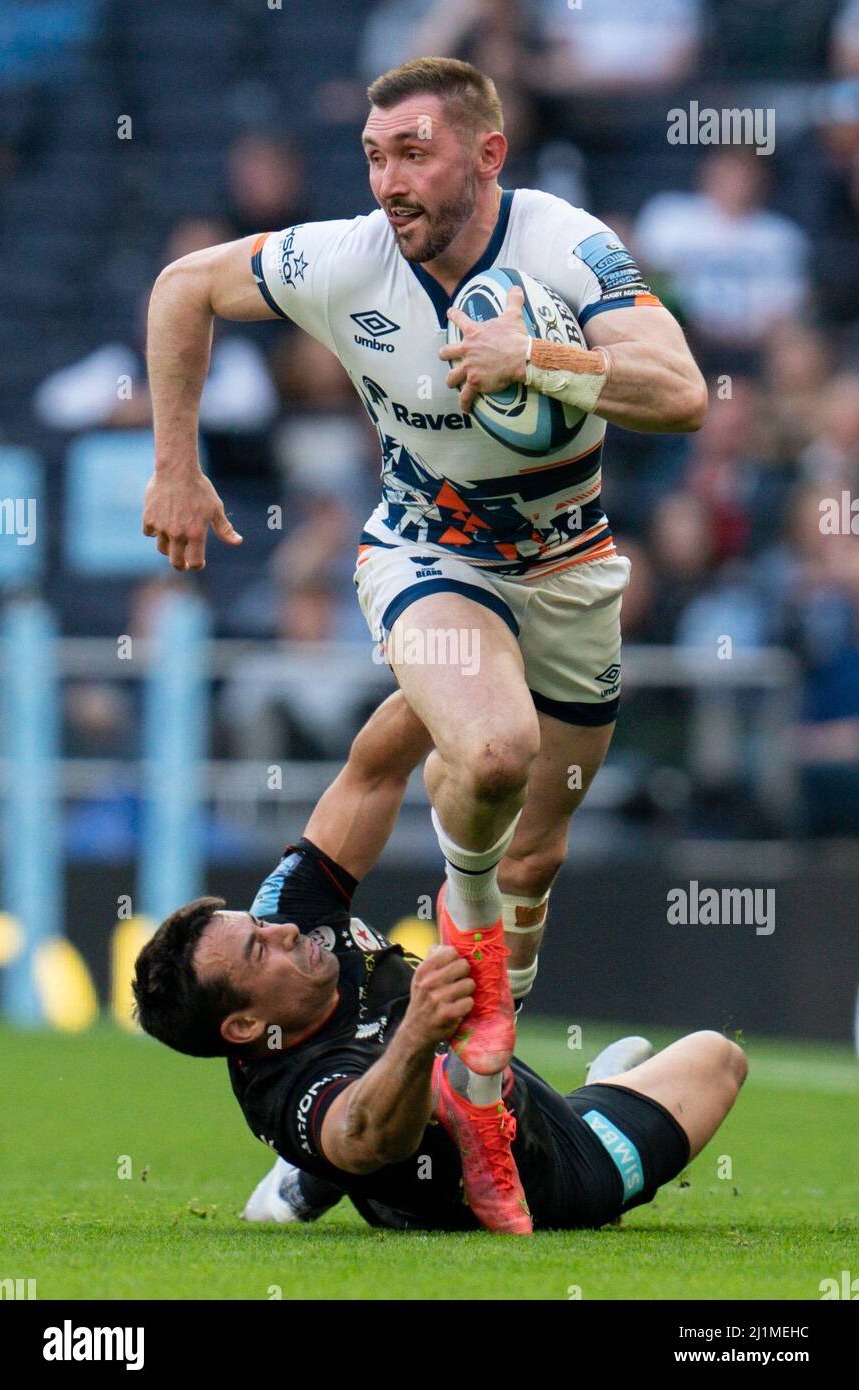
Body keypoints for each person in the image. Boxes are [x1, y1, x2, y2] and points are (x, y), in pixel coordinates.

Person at [141, 56, 707, 1224]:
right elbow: (181, 287)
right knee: (491, 755)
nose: (387, 178)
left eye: (413, 153)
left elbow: (681, 391)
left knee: (535, 856)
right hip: (426, 559)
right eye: (373, 154)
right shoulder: (344, 259)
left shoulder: (562, 244)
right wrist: (175, 463)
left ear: (486, 155)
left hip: (566, 570)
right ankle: (468, 1057)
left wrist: (539, 358)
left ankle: (486, 1087)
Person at [132, 832, 747, 1235]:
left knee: (718, 1054)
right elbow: (368, 1138)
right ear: (243, 1025)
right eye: (257, 947)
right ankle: (309, 1176)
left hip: (518, 1102)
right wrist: (421, 1031)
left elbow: (370, 773)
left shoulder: (289, 913)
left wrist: (442, 686)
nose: (282, 932)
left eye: (260, 925)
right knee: (716, 1059)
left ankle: (602, 1087)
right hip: (542, 1179)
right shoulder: (284, 1090)